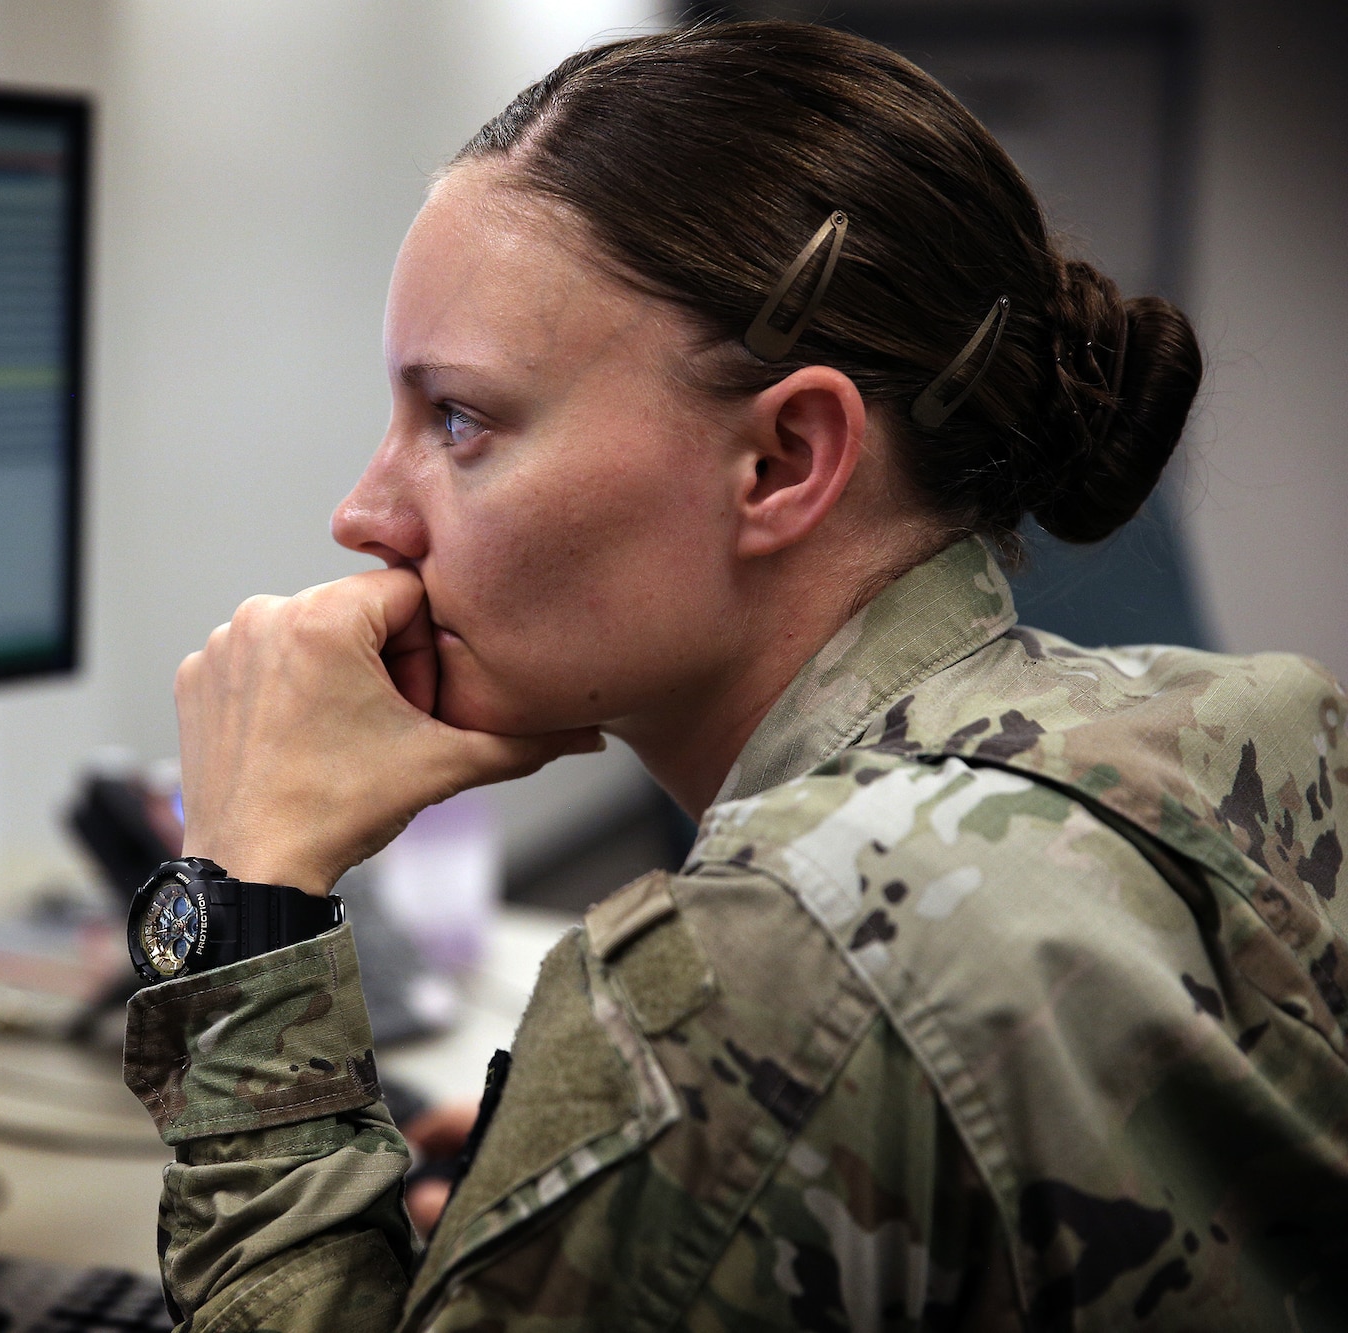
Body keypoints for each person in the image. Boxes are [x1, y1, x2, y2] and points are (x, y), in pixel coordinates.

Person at [120, 20, 1348, 1331]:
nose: (363, 515)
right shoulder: (1250, 725)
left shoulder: (764, 960)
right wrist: (624, 1164)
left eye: (461, 419)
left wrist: (247, 891)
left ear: (782, 459)